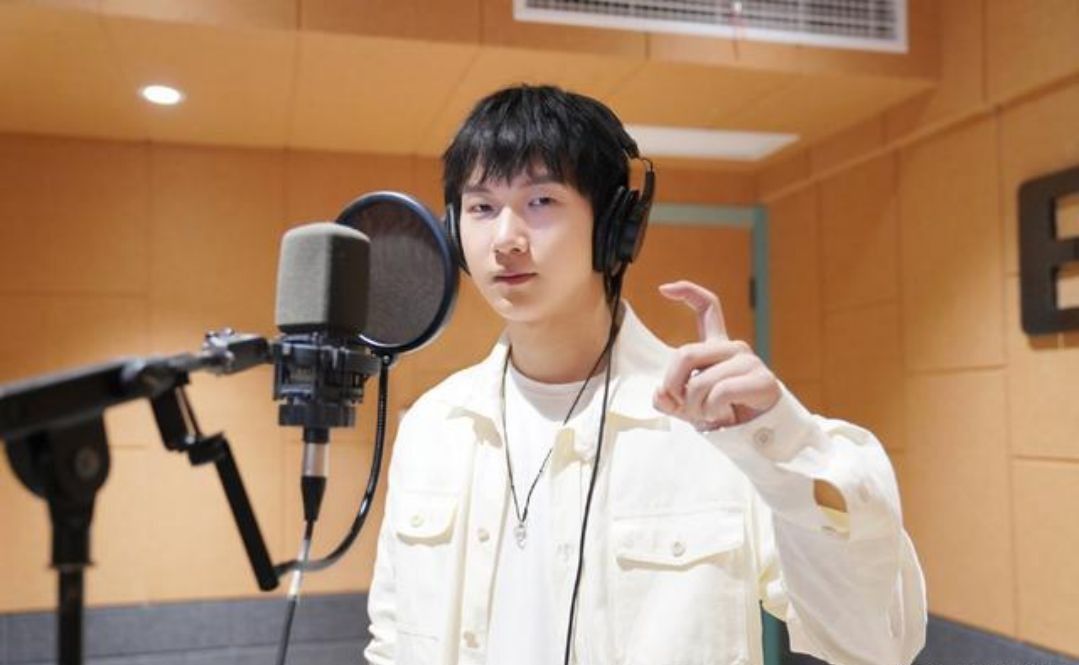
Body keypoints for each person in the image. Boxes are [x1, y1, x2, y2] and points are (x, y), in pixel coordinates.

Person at [364, 84, 926, 665]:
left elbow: (875, 643)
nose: (505, 239)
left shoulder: (716, 428)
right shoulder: (433, 426)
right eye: (481, 208)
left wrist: (782, 447)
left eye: (541, 201)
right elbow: (392, 641)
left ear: (615, 225)